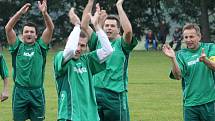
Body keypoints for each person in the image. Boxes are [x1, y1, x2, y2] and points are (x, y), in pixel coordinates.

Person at [81, 0, 138, 120]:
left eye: (112, 26)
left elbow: (128, 31)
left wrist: (119, 6)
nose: (109, 28)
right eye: (106, 25)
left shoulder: (122, 44)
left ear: (118, 29)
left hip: (115, 95)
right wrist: (90, 2)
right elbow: (84, 25)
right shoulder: (97, 40)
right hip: (95, 92)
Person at [53, 7, 113, 121]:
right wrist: (76, 25)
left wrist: (97, 26)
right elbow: (70, 50)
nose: (78, 48)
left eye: (82, 45)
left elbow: (108, 50)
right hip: (69, 115)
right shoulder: (61, 57)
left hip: (90, 116)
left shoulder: (87, 60)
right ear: (69, 42)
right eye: (77, 44)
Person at [5, 0, 54, 120]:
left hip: (37, 93)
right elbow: (8, 28)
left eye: (32, 32)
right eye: (26, 31)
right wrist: (20, 13)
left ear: (36, 35)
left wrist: (44, 13)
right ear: (22, 35)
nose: (29, 33)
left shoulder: (41, 47)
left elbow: (50, 28)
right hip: (20, 93)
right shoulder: (17, 47)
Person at [162, 23, 215, 121]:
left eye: (191, 36)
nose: (188, 40)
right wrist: (173, 58)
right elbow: (178, 76)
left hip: (210, 102)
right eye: (186, 37)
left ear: (199, 37)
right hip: (190, 104)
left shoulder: (210, 48)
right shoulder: (181, 55)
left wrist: (205, 60)